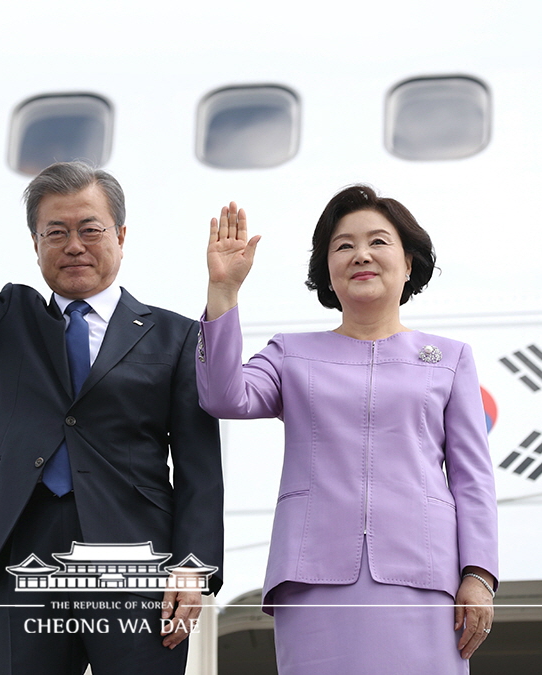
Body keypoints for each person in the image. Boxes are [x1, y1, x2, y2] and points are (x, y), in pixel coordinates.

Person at [0, 81, 223, 675]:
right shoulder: (7, 321)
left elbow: (199, 466)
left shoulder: (178, 337)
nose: (73, 246)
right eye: (56, 232)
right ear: (35, 244)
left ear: (121, 238)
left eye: (90, 229)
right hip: (24, 551)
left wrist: (193, 564)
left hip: (137, 560)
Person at [196, 187, 498, 673]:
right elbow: (222, 396)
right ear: (328, 272)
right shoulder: (288, 353)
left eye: (379, 242)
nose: (361, 255)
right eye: (343, 246)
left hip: (425, 575)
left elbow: (472, 478)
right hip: (314, 575)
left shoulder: (450, 358)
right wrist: (224, 292)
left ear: (408, 262)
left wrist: (478, 573)